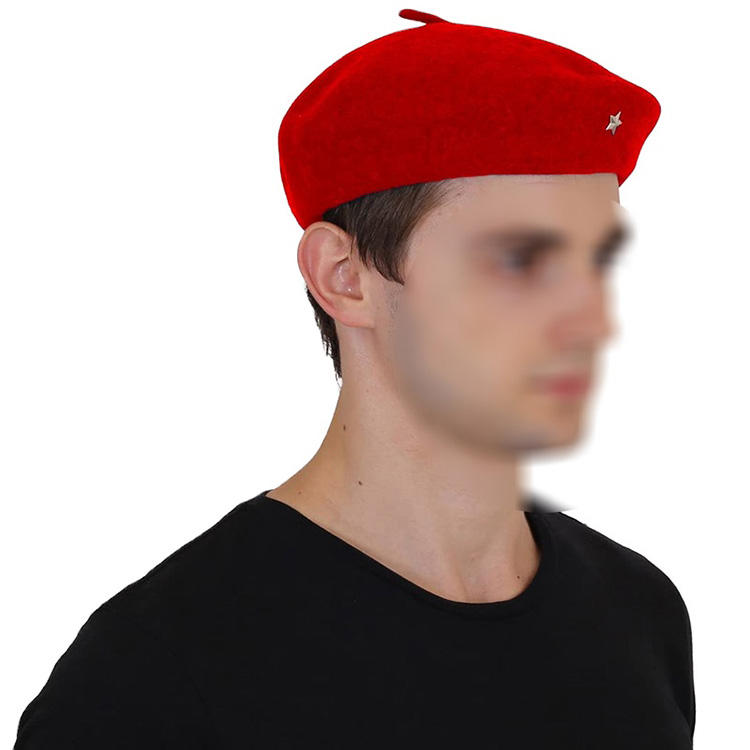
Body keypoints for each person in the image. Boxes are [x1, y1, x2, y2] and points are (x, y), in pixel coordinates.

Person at [14, 8, 695, 748]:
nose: (590, 321)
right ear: (344, 276)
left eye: (597, 258)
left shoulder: (637, 612)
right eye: (521, 258)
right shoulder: (153, 679)